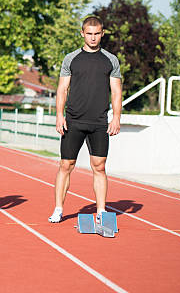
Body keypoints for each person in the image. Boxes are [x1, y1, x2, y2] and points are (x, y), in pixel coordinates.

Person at [48, 14, 122, 223]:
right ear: (82, 33)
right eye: (89, 34)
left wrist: (116, 117)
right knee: (66, 165)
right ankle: (58, 209)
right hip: (74, 120)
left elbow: (116, 91)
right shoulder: (71, 59)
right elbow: (62, 89)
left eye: (96, 34)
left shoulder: (111, 60)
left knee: (99, 166)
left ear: (102, 34)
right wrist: (59, 116)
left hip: (99, 122)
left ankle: (101, 212)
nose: (92, 38)